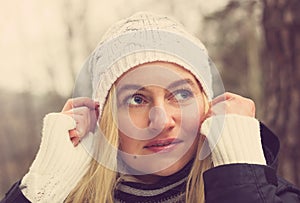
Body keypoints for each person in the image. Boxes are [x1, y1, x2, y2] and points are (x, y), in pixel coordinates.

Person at [1, 12, 300, 203]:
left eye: (181, 94)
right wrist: (43, 187)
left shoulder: (266, 194)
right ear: (106, 117)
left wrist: (241, 176)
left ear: (207, 105)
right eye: (137, 100)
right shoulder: (70, 197)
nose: (161, 121)